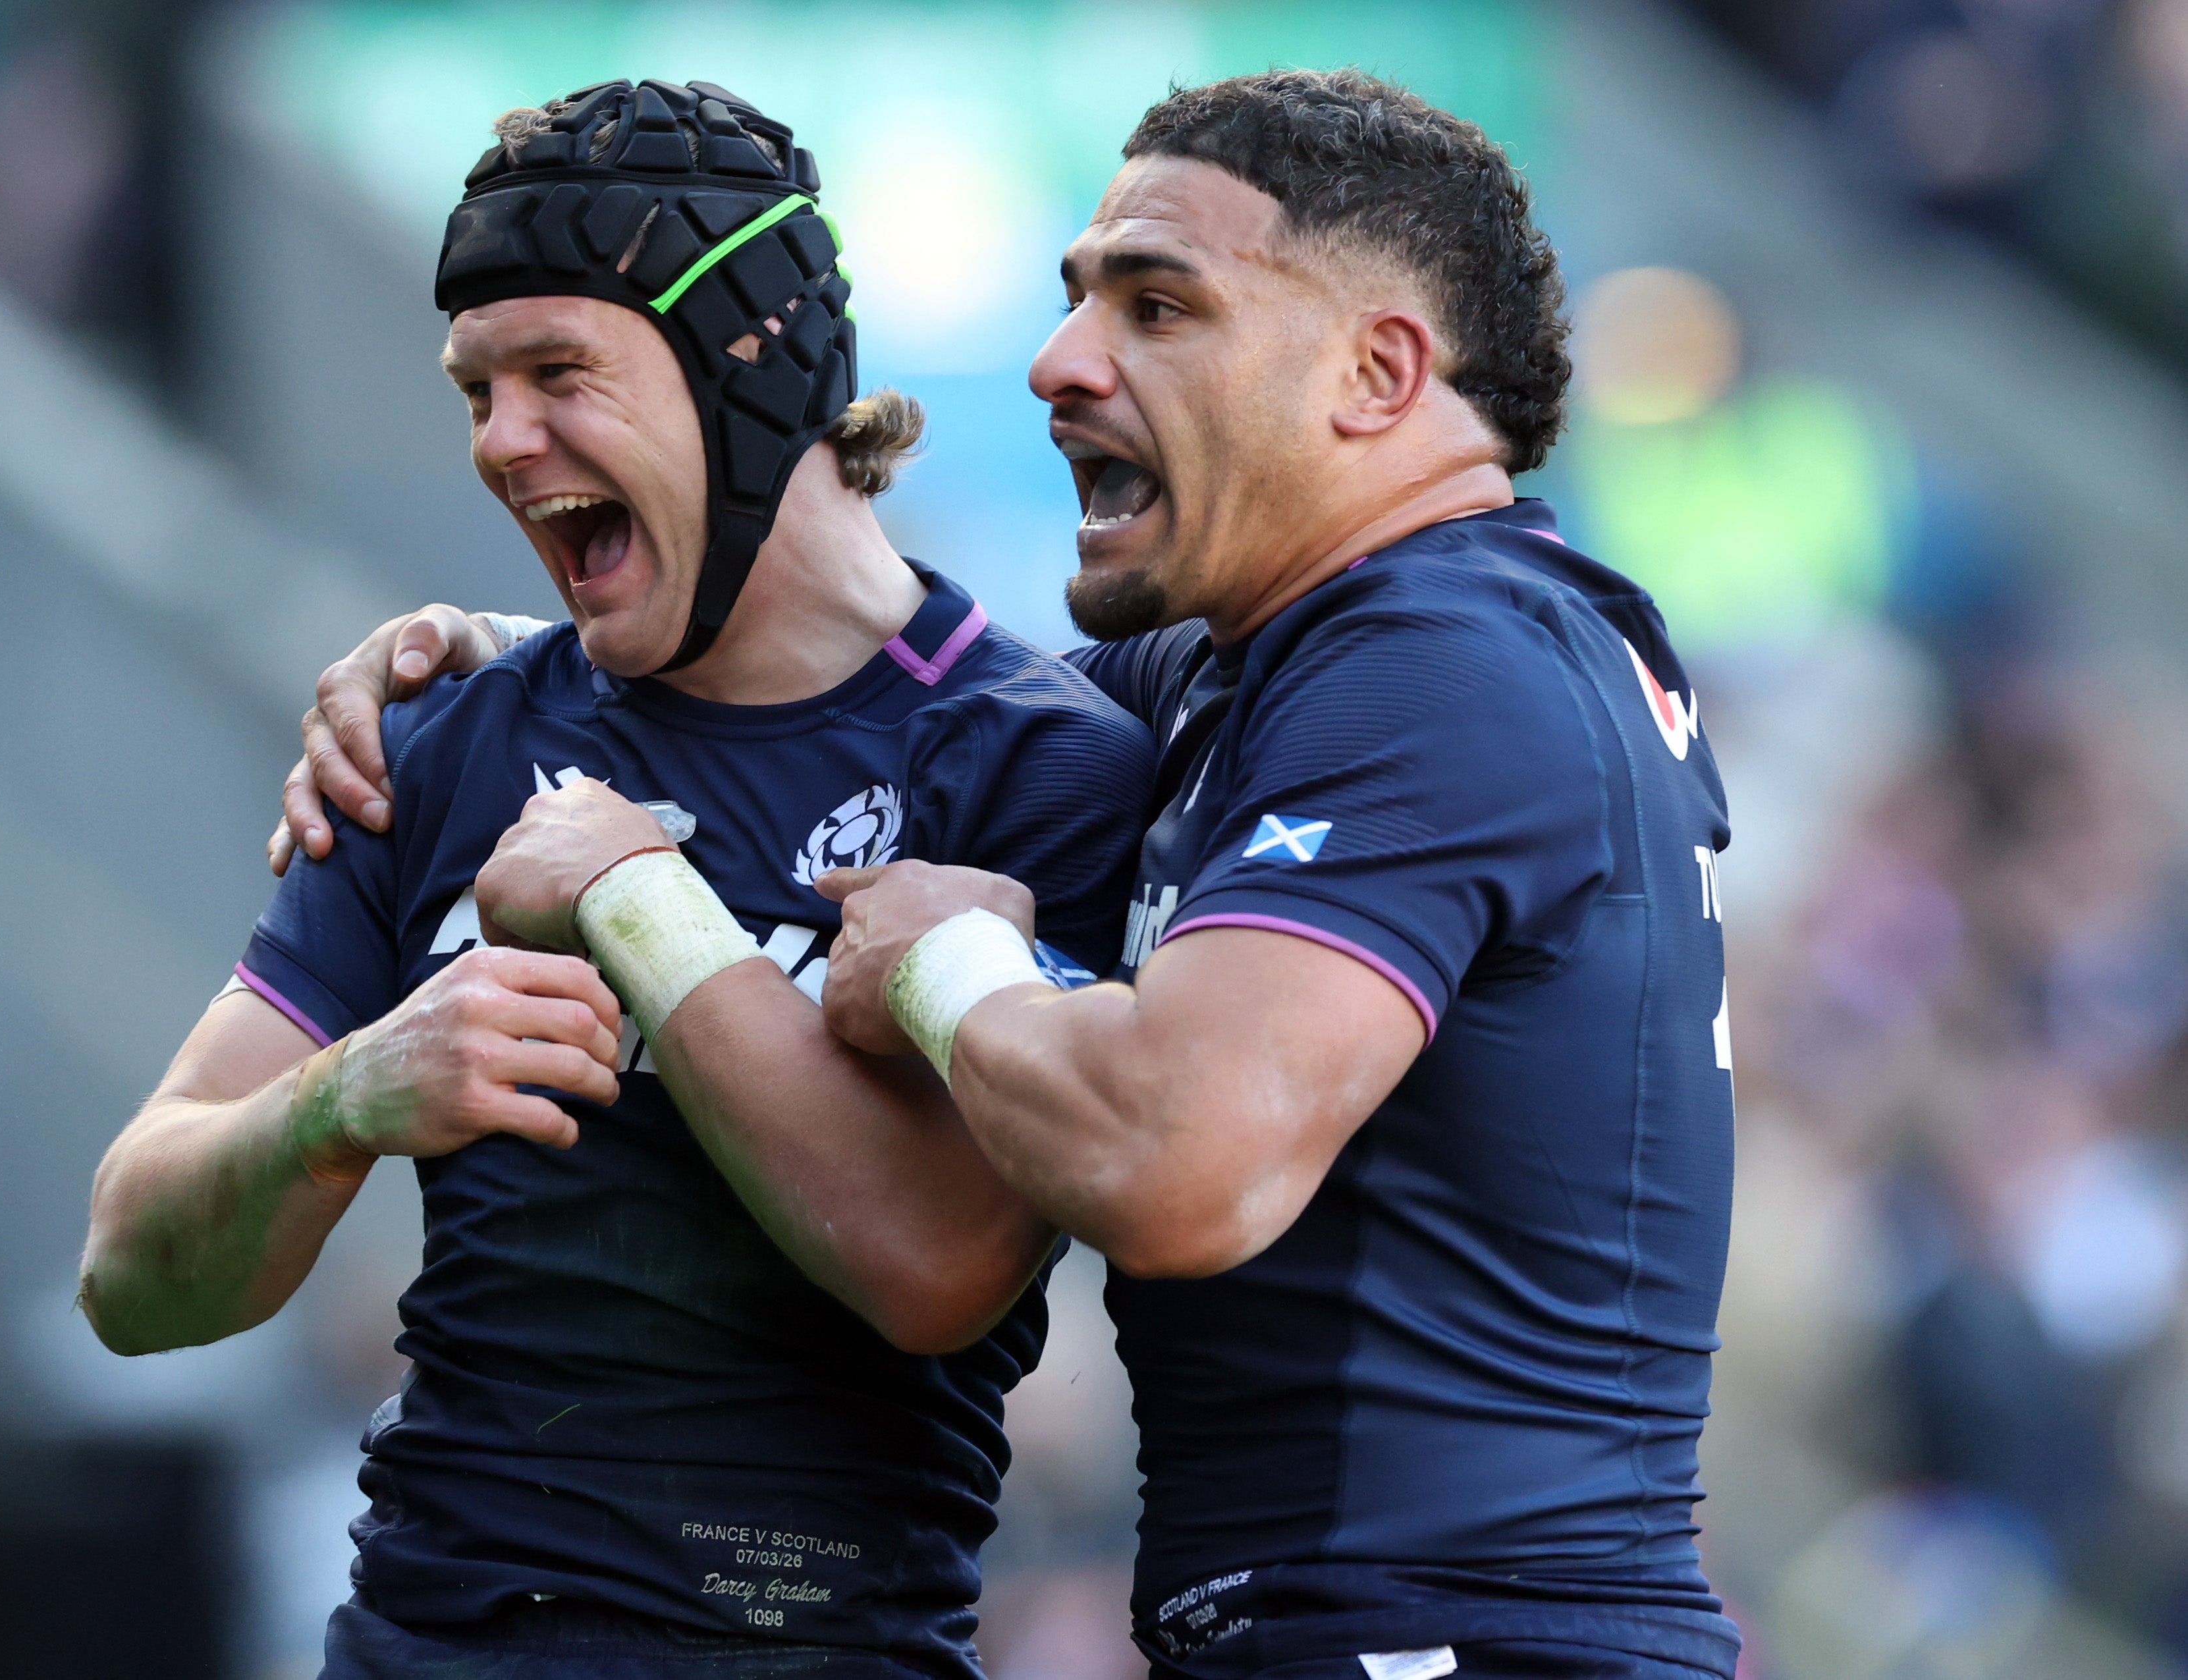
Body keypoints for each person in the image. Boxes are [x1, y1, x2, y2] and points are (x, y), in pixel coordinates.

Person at [293, 72, 1742, 1680]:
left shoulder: (1440, 661)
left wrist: (938, 959)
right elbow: (871, 691)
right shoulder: (1250, 674)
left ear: (1379, 371)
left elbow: (1180, 1157)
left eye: (1158, 303)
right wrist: (517, 676)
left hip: (1464, 1650)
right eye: (1074, 301)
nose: (1065, 361)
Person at [79, 78, 1152, 1680]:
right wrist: (344, 1097)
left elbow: (936, 1265)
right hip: (429, 1642)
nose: (504, 443)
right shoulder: (432, 735)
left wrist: (638, 901)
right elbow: (129, 1275)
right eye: (476, 389)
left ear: (754, 361)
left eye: (561, 372)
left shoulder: (1032, 761)